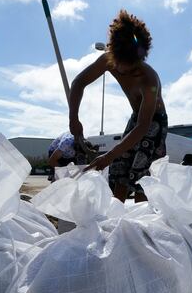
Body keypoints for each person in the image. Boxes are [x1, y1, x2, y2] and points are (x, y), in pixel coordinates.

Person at [69, 10, 167, 201]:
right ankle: (116, 217)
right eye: (119, 64)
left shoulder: (149, 80)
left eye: (130, 67)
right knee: (120, 170)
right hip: (135, 117)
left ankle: (141, 222)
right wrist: (74, 118)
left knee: (141, 175)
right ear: (113, 53)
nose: (122, 70)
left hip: (152, 122)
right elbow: (78, 83)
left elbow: (142, 127)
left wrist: (108, 156)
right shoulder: (107, 60)